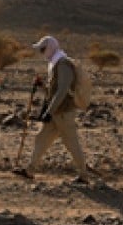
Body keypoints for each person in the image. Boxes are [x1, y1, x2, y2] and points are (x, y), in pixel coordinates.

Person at [12, 36, 89, 183]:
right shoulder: (55, 64)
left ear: (50, 48)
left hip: (63, 113)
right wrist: (42, 86)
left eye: (43, 49)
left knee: (72, 143)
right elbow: (53, 92)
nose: (42, 52)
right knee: (41, 137)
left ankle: (84, 175)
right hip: (56, 113)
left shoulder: (63, 64)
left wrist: (49, 111)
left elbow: (62, 90)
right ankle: (30, 170)